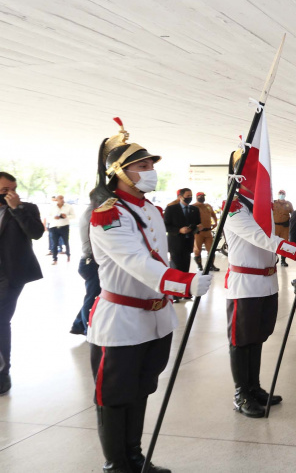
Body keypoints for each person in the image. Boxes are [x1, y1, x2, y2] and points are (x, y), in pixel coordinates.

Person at [86, 118, 211, 472]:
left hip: (155, 318)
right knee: (114, 397)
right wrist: (184, 283)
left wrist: (178, 282)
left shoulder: (150, 210)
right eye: (142, 166)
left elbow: (160, 255)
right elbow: (137, 262)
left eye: (151, 165)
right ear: (120, 172)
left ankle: (135, 457)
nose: (151, 170)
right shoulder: (108, 215)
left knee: (140, 392)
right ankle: (117, 465)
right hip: (121, 321)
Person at [223, 150, 296, 419]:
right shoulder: (234, 207)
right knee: (241, 341)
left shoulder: (263, 206)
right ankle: (241, 393)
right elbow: (261, 238)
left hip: (266, 282)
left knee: (257, 337)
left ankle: (254, 387)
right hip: (245, 284)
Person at [0, 171, 43, 395]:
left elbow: (36, 233)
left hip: (10, 274)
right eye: (5, 190)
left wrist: (16, 209)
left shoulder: (27, 208)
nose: (11, 193)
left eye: (13, 189)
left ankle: (2, 373)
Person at [70, 207, 101, 336]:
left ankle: (79, 325)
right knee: (93, 296)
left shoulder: (89, 212)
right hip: (92, 261)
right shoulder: (94, 214)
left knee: (93, 295)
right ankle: (87, 329)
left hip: (89, 260)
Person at [163, 188, 200, 284]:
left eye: (191, 196)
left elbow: (197, 224)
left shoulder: (194, 209)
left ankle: (184, 288)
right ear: (180, 197)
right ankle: (174, 292)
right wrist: (179, 230)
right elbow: (165, 226)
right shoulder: (171, 209)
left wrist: (198, 228)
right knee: (176, 268)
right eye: (187, 196)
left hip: (188, 243)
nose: (190, 198)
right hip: (175, 244)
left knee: (185, 267)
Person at [192, 192, 220, 272]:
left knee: (211, 249)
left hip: (208, 232)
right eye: (200, 196)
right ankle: (199, 266)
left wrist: (215, 222)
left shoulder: (208, 206)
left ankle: (211, 265)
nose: (202, 197)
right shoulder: (194, 206)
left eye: (203, 196)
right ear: (197, 197)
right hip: (198, 233)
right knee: (197, 250)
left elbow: (213, 214)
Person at [48, 194, 74, 264]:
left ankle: (68, 255)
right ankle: (55, 259)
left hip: (64, 226)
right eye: (60, 198)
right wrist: (54, 217)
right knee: (55, 243)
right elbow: (48, 216)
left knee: (66, 242)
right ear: (57, 199)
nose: (62, 199)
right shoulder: (52, 207)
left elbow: (73, 216)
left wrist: (66, 216)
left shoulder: (68, 207)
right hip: (54, 227)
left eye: (63, 198)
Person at [273, 190, 295, 267]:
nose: (281, 195)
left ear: (285, 195)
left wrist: (290, 222)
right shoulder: (273, 203)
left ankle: (283, 261)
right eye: (280, 194)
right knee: (274, 242)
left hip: (285, 227)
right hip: (275, 226)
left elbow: (293, 214)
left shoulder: (288, 204)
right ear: (277, 194)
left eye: (283, 194)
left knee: (284, 244)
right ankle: (273, 260)